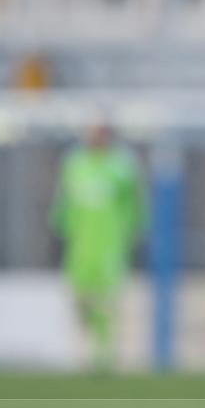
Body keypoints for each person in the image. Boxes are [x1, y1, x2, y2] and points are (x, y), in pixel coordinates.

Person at [50, 119, 147, 372]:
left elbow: (135, 202)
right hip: (79, 246)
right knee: (80, 301)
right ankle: (93, 343)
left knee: (106, 303)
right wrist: (59, 228)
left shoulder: (122, 166)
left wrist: (133, 231)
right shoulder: (74, 164)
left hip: (110, 246)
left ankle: (104, 356)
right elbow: (63, 201)